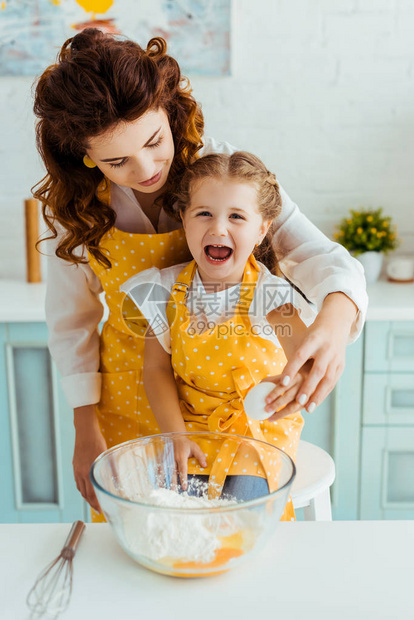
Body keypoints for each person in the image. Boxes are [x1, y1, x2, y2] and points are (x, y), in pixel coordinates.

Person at [33, 28, 367, 519]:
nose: (146, 168)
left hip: (227, 413)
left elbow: (312, 253)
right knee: (151, 535)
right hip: (131, 392)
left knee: (231, 534)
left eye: (154, 141)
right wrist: (86, 428)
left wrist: (336, 321)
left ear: (168, 111)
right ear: (86, 156)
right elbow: (71, 323)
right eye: (116, 161)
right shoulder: (76, 209)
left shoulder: (218, 171)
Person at [121, 151, 317, 519]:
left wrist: (296, 382)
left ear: (262, 228)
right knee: (174, 516)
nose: (218, 228)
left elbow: (306, 359)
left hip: (258, 432)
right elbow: (156, 371)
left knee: (238, 521)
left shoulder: (272, 297)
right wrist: (176, 436)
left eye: (237, 217)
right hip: (190, 428)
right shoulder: (161, 291)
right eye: (204, 213)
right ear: (184, 218)